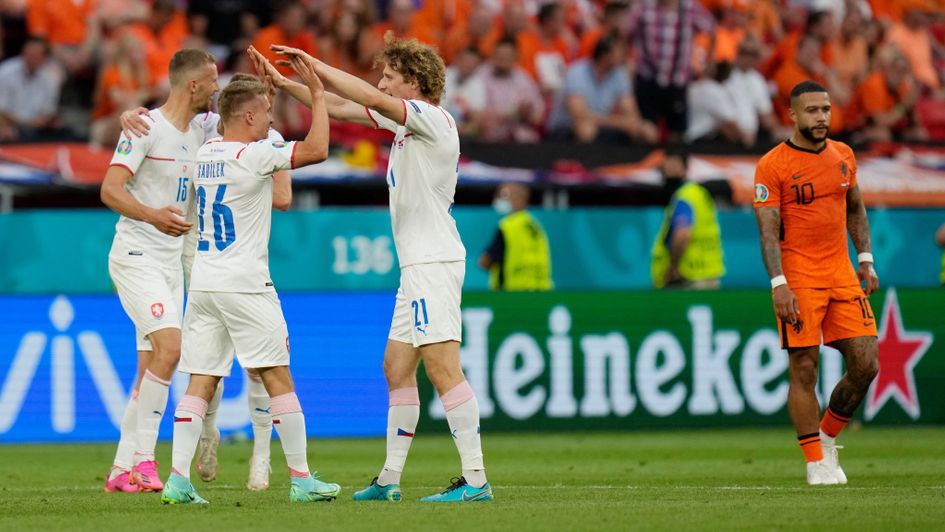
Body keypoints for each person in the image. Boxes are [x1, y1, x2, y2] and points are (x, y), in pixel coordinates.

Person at [249, 34, 493, 502]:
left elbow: (366, 96)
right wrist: (285, 82)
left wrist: (315, 64)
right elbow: (340, 107)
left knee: (443, 368)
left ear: (415, 82)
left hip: (433, 261)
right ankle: (389, 480)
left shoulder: (433, 119)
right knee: (396, 368)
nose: (381, 82)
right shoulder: (406, 126)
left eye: (389, 75)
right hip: (417, 266)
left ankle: (477, 480)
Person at [160, 57, 338, 505]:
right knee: (278, 376)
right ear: (249, 116)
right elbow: (316, 151)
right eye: (268, 116)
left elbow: (249, 132)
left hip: (203, 282)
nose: (272, 123)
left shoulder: (206, 155)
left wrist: (266, 97)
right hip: (245, 283)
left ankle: (178, 480)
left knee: (201, 381)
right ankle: (301, 479)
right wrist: (317, 95)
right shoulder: (255, 155)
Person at [119, 69, 294, 491]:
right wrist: (129, 115)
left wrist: (246, 176)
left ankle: (260, 455)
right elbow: (167, 121)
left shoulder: (259, 138)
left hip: (228, 257)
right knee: (210, 363)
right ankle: (210, 436)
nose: (215, 97)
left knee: (242, 365)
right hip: (201, 255)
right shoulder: (208, 127)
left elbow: (283, 197)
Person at [99, 49, 220, 494]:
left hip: (170, 264)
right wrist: (153, 215)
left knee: (151, 363)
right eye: (212, 81)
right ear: (193, 85)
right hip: (136, 255)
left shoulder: (203, 128)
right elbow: (110, 189)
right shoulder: (145, 127)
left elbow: (252, 115)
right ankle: (146, 462)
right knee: (171, 349)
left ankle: (119, 469)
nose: (217, 88)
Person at [753, 80, 880, 486]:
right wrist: (778, 284)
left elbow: (855, 209)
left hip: (841, 273)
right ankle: (814, 462)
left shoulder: (843, 155)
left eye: (825, 109)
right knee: (805, 367)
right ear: (792, 114)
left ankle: (826, 438)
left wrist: (865, 260)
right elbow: (768, 232)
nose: (821, 117)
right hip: (800, 277)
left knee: (866, 363)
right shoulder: (773, 165)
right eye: (812, 110)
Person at [650, 146, 724, 289]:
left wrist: (673, 265)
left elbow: (682, 233)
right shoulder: (700, 193)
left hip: (689, 277)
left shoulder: (684, 197)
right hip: (710, 272)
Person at [478, 182, 552, 291]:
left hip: (511, 294)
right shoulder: (536, 226)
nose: (499, 200)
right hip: (540, 293)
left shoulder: (508, 226)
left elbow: (484, 262)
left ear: (520, 200)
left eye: (504, 195)